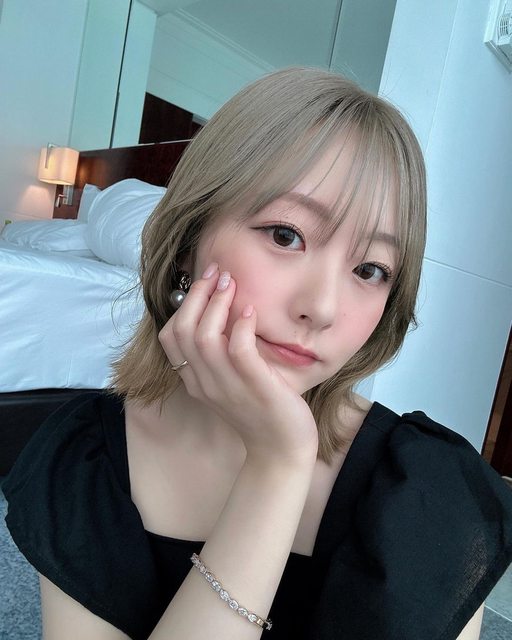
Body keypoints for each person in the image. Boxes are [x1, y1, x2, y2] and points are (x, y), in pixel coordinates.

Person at [4, 67, 512, 640]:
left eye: (370, 269)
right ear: (189, 240)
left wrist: (281, 456)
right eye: (285, 235)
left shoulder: (431, 492)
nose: (322, 307)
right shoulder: (85, 459)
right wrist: (278, 465)